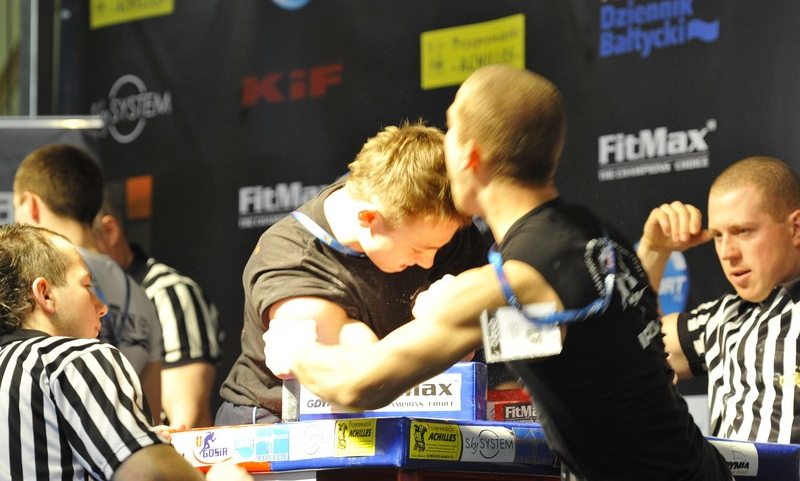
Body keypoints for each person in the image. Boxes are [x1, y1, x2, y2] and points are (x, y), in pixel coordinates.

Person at [266, 65, 731, 480]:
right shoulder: (598, 234)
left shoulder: (513, 281)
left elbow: (357, 386)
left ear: (469, 157)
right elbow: (590, 341)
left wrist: (299, 350)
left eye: (449, 129)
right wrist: (457, 309)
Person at [216, 122, 492, 425]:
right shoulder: (292, 257)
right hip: (279, 418)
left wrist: (462, 325)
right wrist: (445, 321)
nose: (429, 262)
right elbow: (363, 377)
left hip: (411, 409)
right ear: (369, 219)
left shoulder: (435, 218)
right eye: (417, 249)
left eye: (439, 247)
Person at [0, 224, 251, 480]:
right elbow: (148, 475)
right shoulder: (73, 358)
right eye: (87, 285)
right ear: (44, 294)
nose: (102, 307)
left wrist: (136, 438)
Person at [637, 155, 800, 444]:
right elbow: (632, 348)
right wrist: (654, 252)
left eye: (743, 231)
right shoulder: (721, 318)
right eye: (717, 235)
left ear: (795, 228)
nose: (727, 252)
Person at [13, 143, 163, 423]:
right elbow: (149, 410)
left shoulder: (25, 280)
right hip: (127, 444)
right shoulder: (141, 296)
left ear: (31, 205)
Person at [94, 198, 224, 429]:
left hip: (152, 449)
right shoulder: (77, 298)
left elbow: (187, 422)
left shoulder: (168, 293)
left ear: (109, 231)